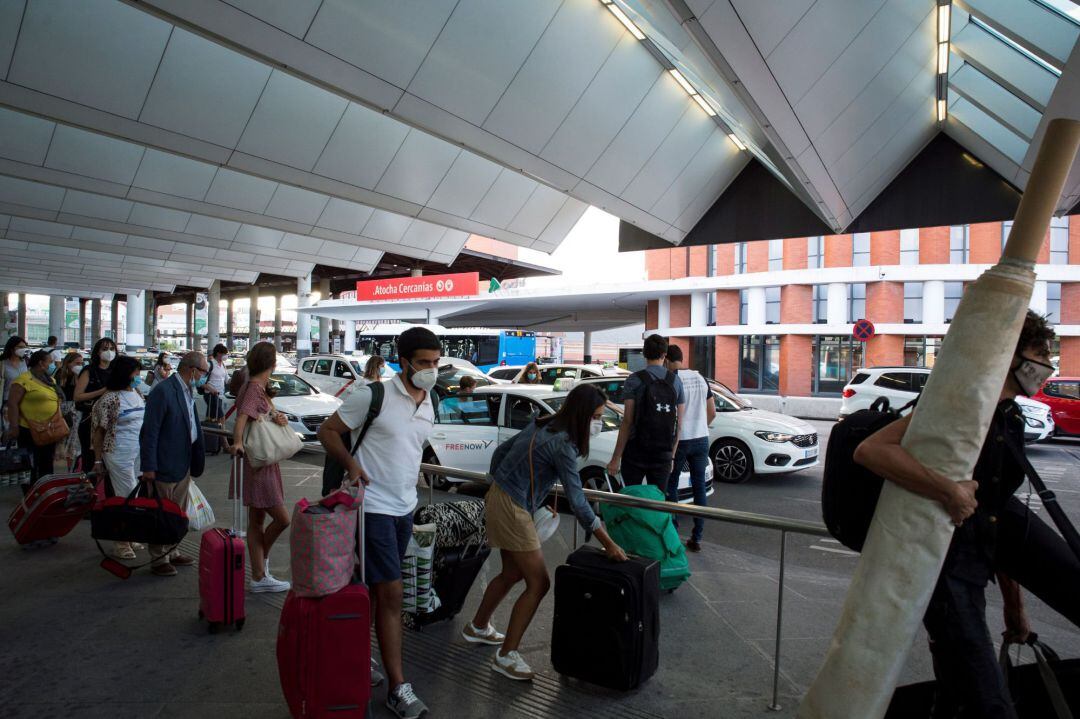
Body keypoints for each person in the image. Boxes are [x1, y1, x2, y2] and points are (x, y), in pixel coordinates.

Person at [854, 311, 1080, 718]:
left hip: (974, 563)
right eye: (1041, 352)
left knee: (962, 693)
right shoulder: (957, 402)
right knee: (987, 701)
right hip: (943, 575)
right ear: (1010, 355)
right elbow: (870, 450)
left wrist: (1015, 604)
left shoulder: (1008, 415)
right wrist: (949, 491)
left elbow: (994, 516)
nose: (1048, 363)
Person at [318, 326, 441, 719]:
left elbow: (409, 448)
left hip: (404, 506)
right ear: (403, 361)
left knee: (372, 590)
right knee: (392, 593)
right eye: (424, 363)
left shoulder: (429, 399)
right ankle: (398, 687)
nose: (431, 370)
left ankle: (362, 659)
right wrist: (353, 465)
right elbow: (327, 431)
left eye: (435, 362)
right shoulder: (373, 395)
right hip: (371, 509)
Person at [466, 384, 628, 681]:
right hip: (513, 508)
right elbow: (578, 502)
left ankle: (477, 627)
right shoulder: (563, 445)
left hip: (503, 498)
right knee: (539, 584)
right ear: (581, 414)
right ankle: (506, 656)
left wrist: (500, 483)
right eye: (595, 416)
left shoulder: (544, 422)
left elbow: (502, 452)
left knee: (512, 574)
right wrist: (609, 544)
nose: (598, 422)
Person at [230, 342, 291, 594]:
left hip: (256, 461)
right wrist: (237, 442)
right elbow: (242, 417)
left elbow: (251, 415)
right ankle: (259, 566)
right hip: (259, 463)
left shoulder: (252, 385)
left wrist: (277, 417)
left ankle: (258, 574)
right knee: (282, 518)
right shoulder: (255, 387)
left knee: (256, 521)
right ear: (272, 363)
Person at [139, 351, 208, 577]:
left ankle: (173, 550)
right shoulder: (163, 391)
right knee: (162, 512)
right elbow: (150, 432)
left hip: (183, 461)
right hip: (165, 463)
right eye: (204, 372)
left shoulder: (187, 390)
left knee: (178, 511)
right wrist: (148, 466)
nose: (205, 377)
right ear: (193, 370)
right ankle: (159, 557)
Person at [607, 335, 685, 488]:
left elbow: (628, 421)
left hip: (636, 452)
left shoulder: (634, 380)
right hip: (663, 453)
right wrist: (672, 457)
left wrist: (616, 458)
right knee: (657, 503)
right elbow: (680, 425)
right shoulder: (675, 381)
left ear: (644, 353)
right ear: (664, 355)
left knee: (631, 499)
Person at [91, 356, 145, 560]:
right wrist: (97, 460)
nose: (138, 377)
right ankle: (121, 541)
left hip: (137, 451)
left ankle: (129, 536)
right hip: (118, 452)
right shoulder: (110, 398)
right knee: (127, 494)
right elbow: (98, 432)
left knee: (134, 494)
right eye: (135, 374)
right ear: (125, 374)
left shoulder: (137, 393)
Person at [663, 345, 715, 553]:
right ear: (682, 358)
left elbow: (669, 415)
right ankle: (697, 537)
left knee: (672, 486)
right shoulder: (700, 378)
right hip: (702, 438)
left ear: (666, 359)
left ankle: (674, 534)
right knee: (699, 485)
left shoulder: (671, 379)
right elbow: (712, 412)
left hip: (680, 439)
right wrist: (700, 425)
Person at [4, 350, 64, 492]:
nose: (52, 365)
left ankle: (45, 494)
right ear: (41, 363)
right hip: (28, 430)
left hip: (48, 430)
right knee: (31, 465)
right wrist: (14, 427)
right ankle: (31, 496)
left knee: (47, 464)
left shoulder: (50, 380)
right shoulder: (23, 380)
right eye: (49, 362)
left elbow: (56, 401)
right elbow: (12, 404)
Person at [74, 337, 116, 472]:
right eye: (105, 349)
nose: (109, 352)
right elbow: (77, 396)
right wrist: (102, 391)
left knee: (109, 460)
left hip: (112, 420)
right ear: (97, 352)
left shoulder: (116, 371)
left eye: (111, 349)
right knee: (90, 459)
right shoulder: (89, 371)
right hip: (91, 420)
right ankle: (88, 489)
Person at [57, 352, 84, 468]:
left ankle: (71, 464)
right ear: (68, 363)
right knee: (63, 437)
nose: (79, 365)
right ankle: (62, 465)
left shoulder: (80, 375)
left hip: (76, 409)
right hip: (64, 409)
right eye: (77, 363)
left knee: (74, 439)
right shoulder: (60, 375)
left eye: (81, 363)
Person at [2, 335, 29, 409]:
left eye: (24, 347)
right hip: (8, 401)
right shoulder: (2, 364)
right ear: (11, 348)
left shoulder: (26, 362)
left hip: (25, 399)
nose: (23, 349)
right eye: (20, 347)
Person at [204, 344, 229, 424]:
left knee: (213, 418)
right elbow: (200, 380)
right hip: (211, 395)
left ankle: (214, 434)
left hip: (220, 395)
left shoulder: (223, 365)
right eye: (225, 353)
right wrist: (210, 389)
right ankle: (223, 435)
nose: (226, 356)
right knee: (221, 417)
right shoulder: (209, 364)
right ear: (218, 353)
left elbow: (227, 379)